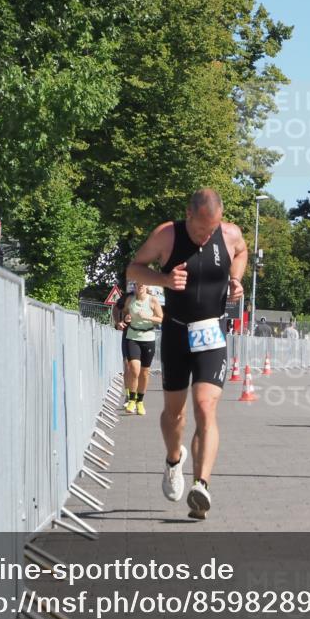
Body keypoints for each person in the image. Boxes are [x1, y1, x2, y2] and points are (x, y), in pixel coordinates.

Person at [127, 188, 247, 520]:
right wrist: (164, 278)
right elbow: (134, 269)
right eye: (200, 230)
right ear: (188, 214)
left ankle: (202, 486)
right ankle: (172, 460)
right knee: (174, 415)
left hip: (211, 333)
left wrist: (236, 280)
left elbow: (241, 251)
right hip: (178, 332)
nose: (205, 236)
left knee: (206, 407)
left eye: (212, 230)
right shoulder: (167, 235)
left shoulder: (229, 234)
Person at [122, 283, 164, 415]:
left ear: (146, 286)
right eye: (137, 283)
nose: (140, 285)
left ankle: (140, 401)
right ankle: (132, 400)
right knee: (134, 369)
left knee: (145, 372)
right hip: (132, 337)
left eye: (142, 283)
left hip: (148, 338)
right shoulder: (130, 300)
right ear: (134, 286)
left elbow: (161, 318)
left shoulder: (152, 300)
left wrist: (147, 317)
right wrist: (126, 318)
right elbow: (124, 313)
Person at [110, 288, 132, 406]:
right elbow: (115, 308)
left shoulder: (150, 296)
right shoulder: (126, 297)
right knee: (127, 364)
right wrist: (118, 322)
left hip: (144, 335)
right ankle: (129, 396)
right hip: (128, 334)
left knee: (141, 369)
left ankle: (137, 396)